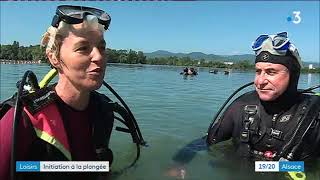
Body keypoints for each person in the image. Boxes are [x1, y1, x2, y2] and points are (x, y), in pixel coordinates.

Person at [168, 32, 320, 179]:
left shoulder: (314, 114)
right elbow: (205, 142)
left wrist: (268, 166)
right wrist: (179, 163)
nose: (259, 81)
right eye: (258, 71)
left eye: (271, 72)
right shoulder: (242, 105)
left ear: (293, 75)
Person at [0, 5, 115, 180]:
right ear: (54, 57)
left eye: (102, 47)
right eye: (83, 48)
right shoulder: (21, 119)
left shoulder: (104, 110)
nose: (99, 56)